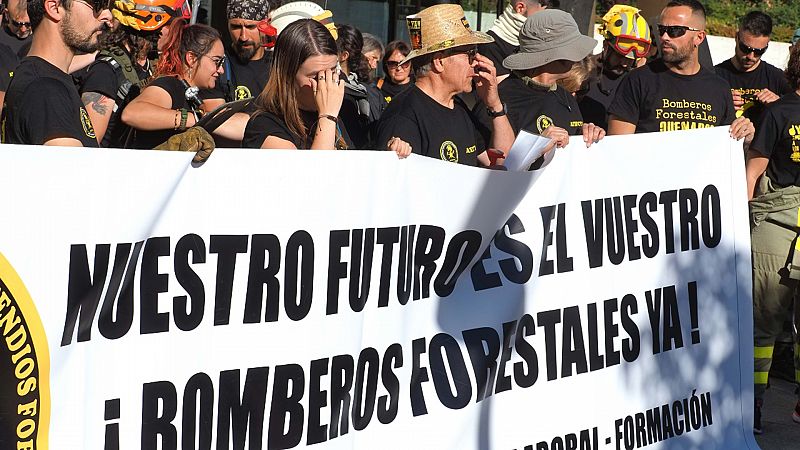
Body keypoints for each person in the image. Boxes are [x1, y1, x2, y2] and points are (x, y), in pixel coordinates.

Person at [375, 4, 514, 167]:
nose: (476, 62)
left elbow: (503, 162)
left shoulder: (458, 107)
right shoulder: (403, 116)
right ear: (439, 61)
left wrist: (494, 105)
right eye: (470, 54)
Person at [744, 42, 800, 435]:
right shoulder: (780, 111)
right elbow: (753, 173)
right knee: (763, 324)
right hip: (776, 229)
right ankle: (752, 402)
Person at [607, 0, 754, 144]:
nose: (664, 37)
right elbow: (617, 147)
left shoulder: (719, 88)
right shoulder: (637, 80)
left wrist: (745, 138)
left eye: (675, 31)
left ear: (699, 37)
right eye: (661, 30)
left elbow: (726, 148)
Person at [476, 9, 604, 150]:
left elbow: (571, 152)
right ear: (547, 55)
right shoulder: (499, 101)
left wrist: (587, 134)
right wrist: (536, 145)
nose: (577, 57)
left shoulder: (566, 98)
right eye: (570, 48)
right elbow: (492, 161)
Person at [79, 0, 190, 147]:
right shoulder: (105, 71)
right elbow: (89, 145)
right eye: (176, 27)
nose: (179, 35)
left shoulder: (151, 65)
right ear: (154, 22)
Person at [2, 0, 112, 146]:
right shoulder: (45, 89)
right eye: (97, 5)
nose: (107, 15)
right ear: (54, 8)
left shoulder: (43, 80)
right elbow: (69, 161)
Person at [242, 18, 352, 150]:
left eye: (333, 72)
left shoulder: (336, 113)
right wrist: (327, 117)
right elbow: (320, 164)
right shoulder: (265, 126)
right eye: (316, 77)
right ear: (287, 75)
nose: (327, 84)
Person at [121, 21, 225, 149]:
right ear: (191, 58)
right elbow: (132, 113)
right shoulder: (171, 85)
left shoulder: (191, 90)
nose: (221, 70)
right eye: (216, 61)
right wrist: (194, 119)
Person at [579, 5, 652, 131]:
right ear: (606, 45)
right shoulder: (583, 72)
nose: (624, 64)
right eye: (620, 56)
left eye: (630, 59)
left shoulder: (638, 81)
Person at [715, 11, 791, 127]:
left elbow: (794, 111)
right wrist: (720, 103)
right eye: (745, 49)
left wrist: (779, 104)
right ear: (736, 37)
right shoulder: (715, 75)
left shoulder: (777, 77)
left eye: (759, 51)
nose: (751, 56)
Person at [200, 0, 275, 110]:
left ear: (266, 25)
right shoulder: (216, 67)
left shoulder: (279, 65)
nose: (243, 37)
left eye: (250, 27)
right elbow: (217, 117)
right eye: (236, 27)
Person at [479, 0, 558, 80]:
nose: (545, 23)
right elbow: (501, 86)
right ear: (520, 8)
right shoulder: (490, 46)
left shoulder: (539, 42)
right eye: (542, 17)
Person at [336, 23, 385, 149]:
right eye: (373, 58)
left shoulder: (370, 92)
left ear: (344, 55)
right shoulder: (333, 88)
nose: (374, 66)